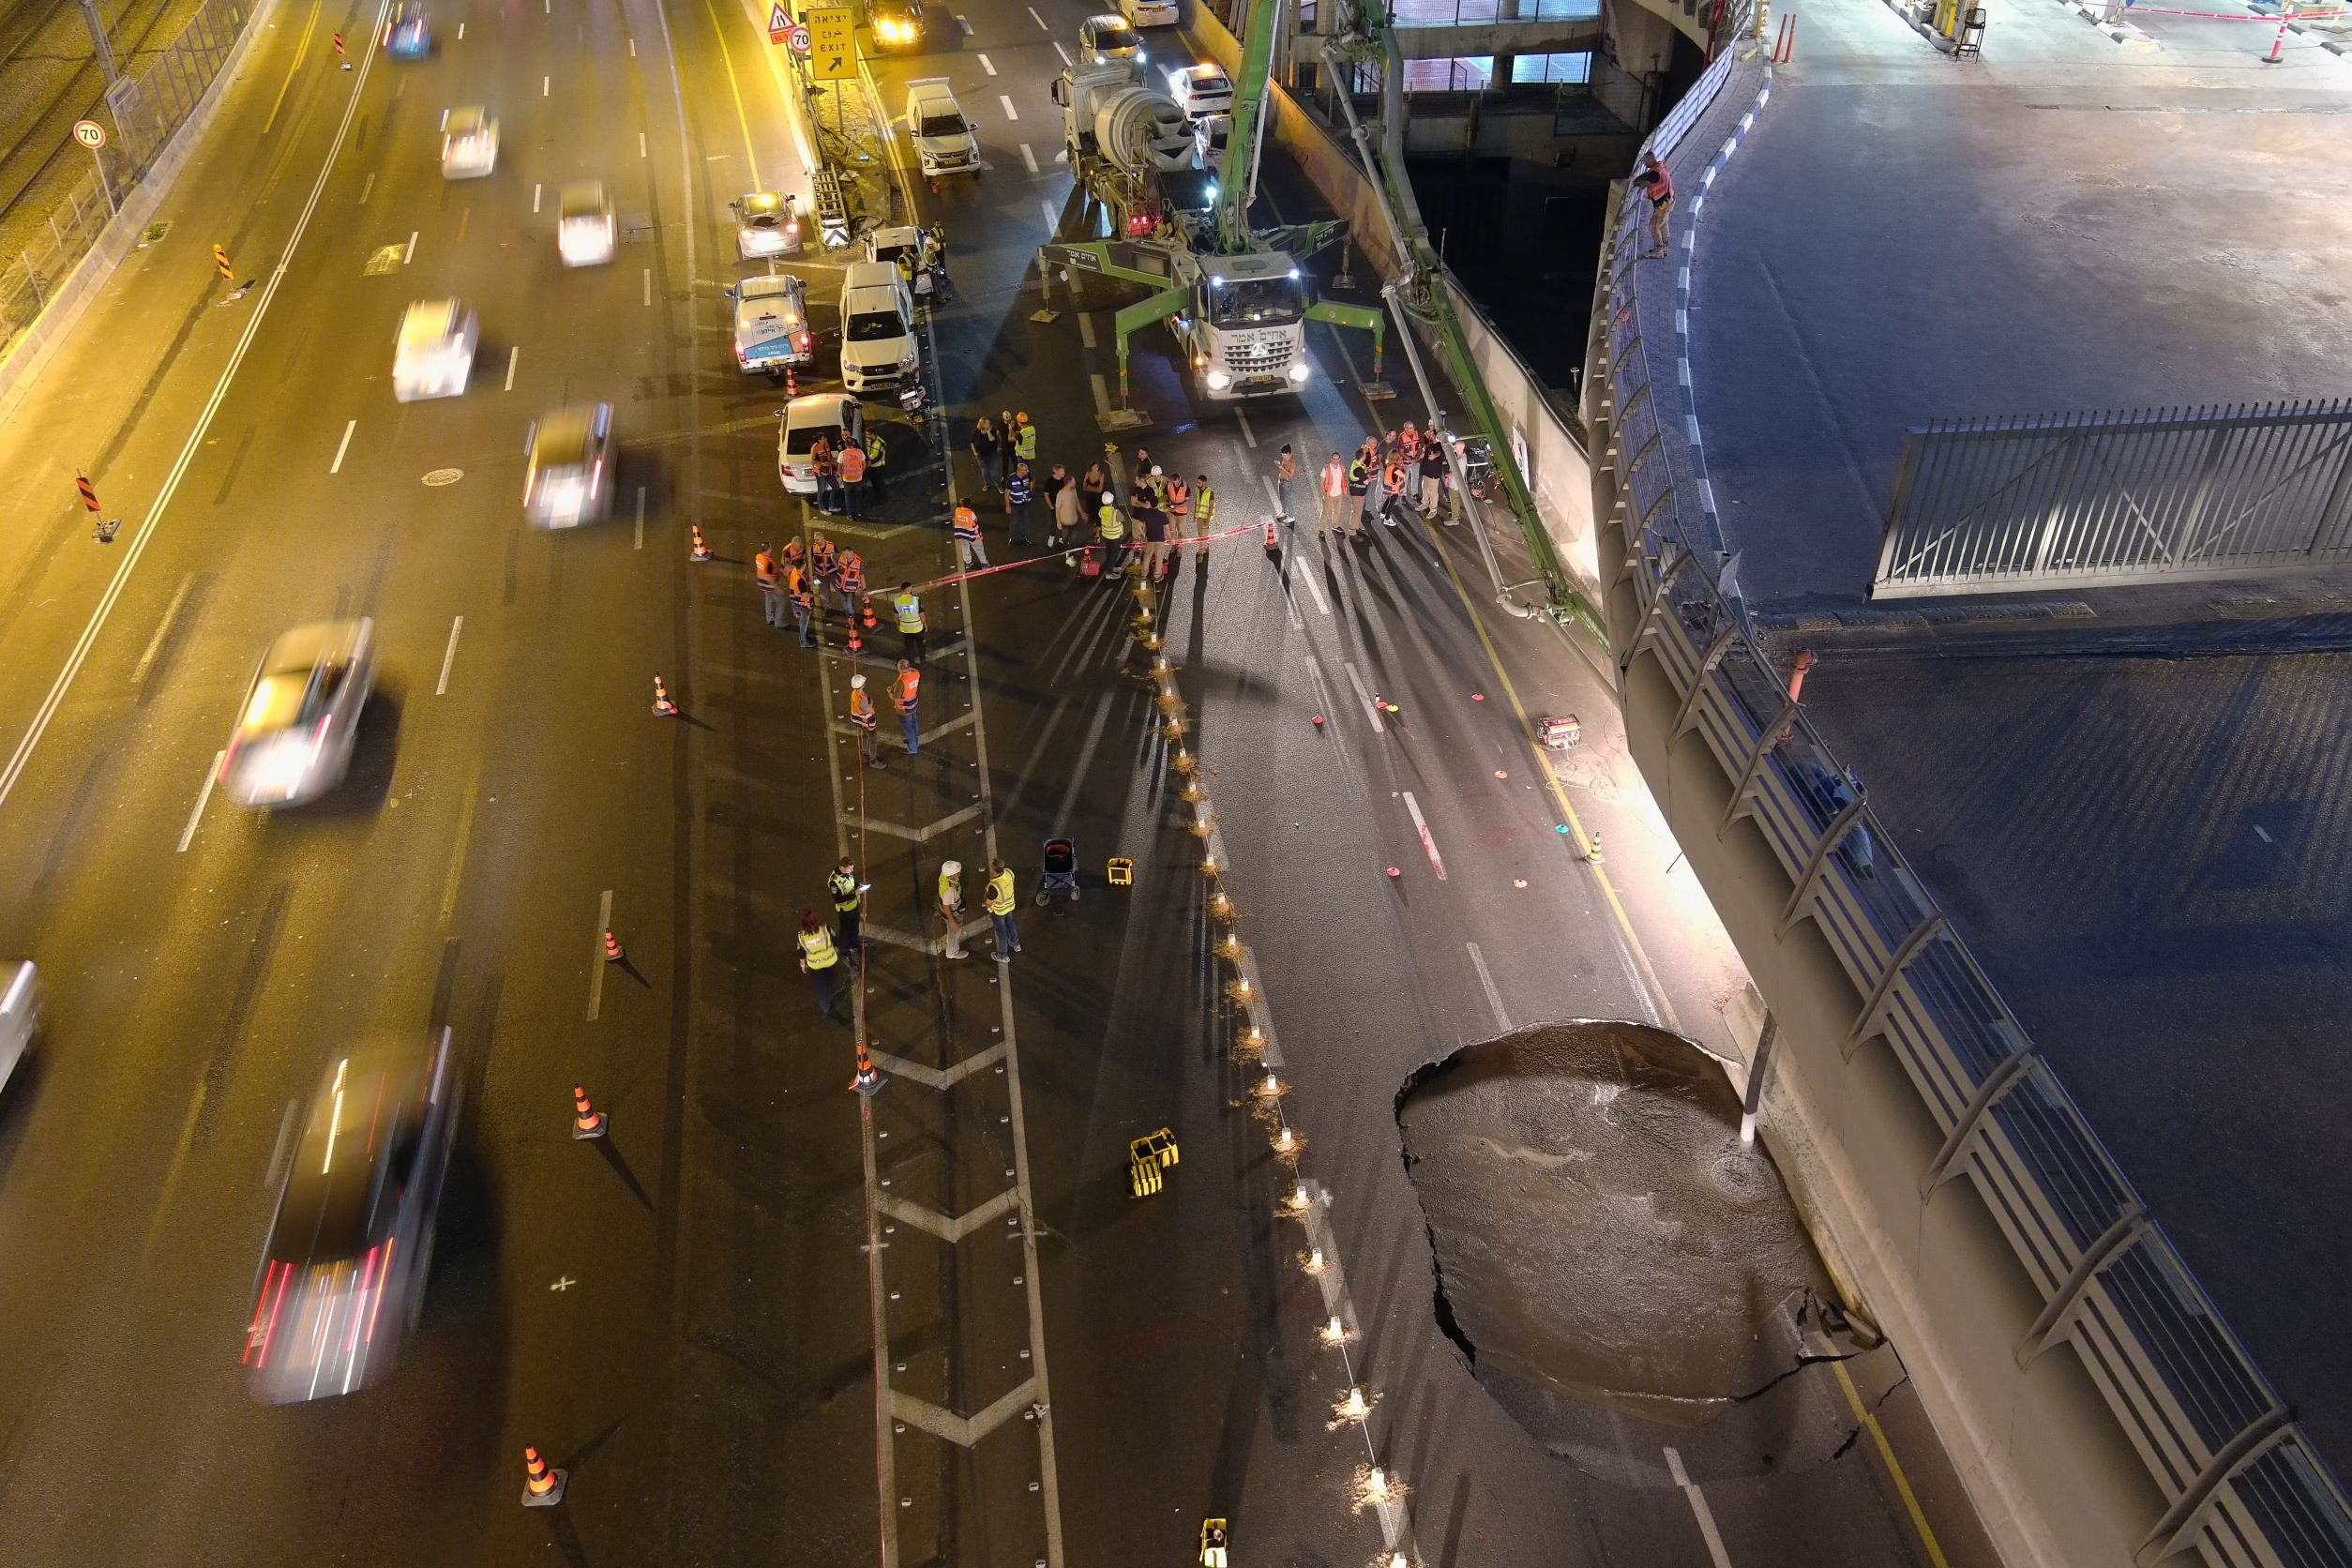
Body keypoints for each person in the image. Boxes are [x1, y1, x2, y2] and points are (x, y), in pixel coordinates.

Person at [798, 910, 844, 1018]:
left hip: (815, 966)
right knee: (831, 980)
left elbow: (801, 952)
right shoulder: (825, 928)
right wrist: (838, 949)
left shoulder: (801, 936)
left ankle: (826, 1008)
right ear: (815, 920)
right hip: (830, 961)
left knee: (820, 988)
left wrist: (803, 965)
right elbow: (836, 941)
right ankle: (831, 992)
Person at [1635, 151, 1673, 259]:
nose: (1643, 164)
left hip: (1663, 204)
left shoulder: (1654, 173)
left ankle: (1658, 251)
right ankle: (1664, 248)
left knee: (1653, 226)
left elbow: (1644, 184)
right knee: (1663, 224)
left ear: (1650, 160)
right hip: (1669, 201)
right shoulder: (1659, 166)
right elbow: (1648, 176)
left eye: (1645, 161)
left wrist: (1636, 184)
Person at [985, 858, 1020, 959]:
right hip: (1010, 906)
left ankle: (1003, 955)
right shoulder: (1009, 872)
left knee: (1001, 934)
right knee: (1011, 923)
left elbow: (988, 903)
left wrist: (987, 905)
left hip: (999, 911)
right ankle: (1015, 943)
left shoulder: (993, 886)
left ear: (993, 870)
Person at [829, 858, 866, 953]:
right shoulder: (834, 882)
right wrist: (855, 894)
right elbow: (838, 899)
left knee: (855, 927)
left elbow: (851, 882)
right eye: (850, 868)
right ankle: (844, 951)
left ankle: (855, 943)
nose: (852, 870)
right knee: (845, 932)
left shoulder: (847, 872)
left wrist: (858, 886)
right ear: (842, 868)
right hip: (845, 911)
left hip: (854, 906)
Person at [938, 859, 967, 959]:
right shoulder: (949, 891)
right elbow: (946, 907)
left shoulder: (944, 874)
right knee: (954, 932)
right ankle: (952, 952)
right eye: (958, 872)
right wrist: (952, 921)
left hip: (946, 905)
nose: (960, 873)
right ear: (951, 875)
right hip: (953, 913)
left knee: (954, 931)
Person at [1095, 493, 1128, 581]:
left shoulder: (1101, 510)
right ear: (1112, 501)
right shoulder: (1115, 512)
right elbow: (1123, 519)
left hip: (1106, 536)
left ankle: (1111, 567)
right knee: (1114, 554)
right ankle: (1109, 573)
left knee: (1109, 552)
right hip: (1115, 537)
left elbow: (1099, 518)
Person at [848, 673, 879, 763]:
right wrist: (871, 702)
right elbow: (872, 711)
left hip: (859, 721)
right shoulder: (862, 701)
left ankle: (865, 752)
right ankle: (873, 761)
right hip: (867, 722)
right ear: (862, 685)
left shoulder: (855, 693)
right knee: (873, 741)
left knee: (864, 736)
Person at [894, 657, 921, 755]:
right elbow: (915, 670)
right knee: (914, 721)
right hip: (913, 703)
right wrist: (909, 668)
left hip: (904, 708)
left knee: (908, 728)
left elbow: (896, 699)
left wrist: (897, 708)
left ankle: (913, 748)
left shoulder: (901, 682)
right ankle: (915, 739)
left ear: (900, 668)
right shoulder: (916, 674)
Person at [1049, 462, 1079, 550]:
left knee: (1073, 538)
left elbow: (1077, 502)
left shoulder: (1073, 490)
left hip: (1074, 520)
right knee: (1066, 538)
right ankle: (1068, 552)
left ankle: (1073, 552)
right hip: (1065, 521)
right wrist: (1058, 522)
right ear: (1069, 483)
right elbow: (1057, 509)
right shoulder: (1060, 494)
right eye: (1073, 481)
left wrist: (1082, 512)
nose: (1075, 483)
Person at [1139, 496, 1170, 581]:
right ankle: (1157, 576)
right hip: (1160, 540)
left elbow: (1139, 526)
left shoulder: (1145, 514)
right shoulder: (1162, 514)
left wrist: (1144, 535)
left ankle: (1144, 575)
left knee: (1147, 557)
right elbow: (1167, 528)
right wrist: (1170, 538)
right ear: (1157, 504)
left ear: (1150, 504)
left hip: (1150, 539)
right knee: (1159, 557)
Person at [787, 560, 817, 647]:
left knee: (802, 622)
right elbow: (805, 594)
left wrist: (816, 581)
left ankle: (803, 637)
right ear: (803, 566)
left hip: (796, 601)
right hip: (803, 604)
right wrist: (818, 595)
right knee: (804, 623)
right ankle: (803, 641)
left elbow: (805, 584)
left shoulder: (795, 572)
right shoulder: (799, 579)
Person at [894, 580, 926, 660]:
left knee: (909, 646)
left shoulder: (897, 601)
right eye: (911, 588)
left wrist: (898, 625)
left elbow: (896, 616)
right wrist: (924, 624)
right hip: (917, 627)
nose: (912, 590)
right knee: (920, 645)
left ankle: (911, 661)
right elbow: (921, 614)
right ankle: (923, 660)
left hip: (905, 628)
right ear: (908, 590)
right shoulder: (915, 600)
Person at [951, 500, 988, 567]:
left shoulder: (957, 510)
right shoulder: (970, 513)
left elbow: (954, 519)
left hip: (962, 535)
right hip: (972, 535)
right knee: (979, 548)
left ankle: (968, 563)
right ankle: (984, 563)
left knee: (965, 548)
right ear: (969, 505)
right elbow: (976, 520)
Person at [755, 542, 784, 628]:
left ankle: (770, 618)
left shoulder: (758, 557)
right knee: (782, 602)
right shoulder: (768, 563)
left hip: (761, 583)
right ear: (769, 549)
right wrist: (777, 588)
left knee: (768, 599)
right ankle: (778, 622)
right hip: (768, 585)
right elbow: (769, 578)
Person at [970, 416, 1002, 493]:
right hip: (981, 456)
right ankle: (987, 484)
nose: (989, 424)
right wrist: (975, 453)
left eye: (989, 422)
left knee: (995, 471)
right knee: (984, 471)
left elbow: (992, 439)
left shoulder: (992, 430)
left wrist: (988, 431)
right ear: (982, 425)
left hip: (992, 454)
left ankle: (998, 485)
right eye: (986, 423)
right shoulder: (977, 431)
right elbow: (972, 442)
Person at [1006, 461, 1034, 545]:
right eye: (1025, 470)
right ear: (1019, 470)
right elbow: (1007, 493)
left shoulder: (1027, 476)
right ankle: (1012, 539)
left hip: (1025, 504)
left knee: (1025, 522)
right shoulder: (1011, 479)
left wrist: (1030, 491)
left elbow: (1032, 480)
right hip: (1015, 505)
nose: (1027, 471)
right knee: (1014, 522)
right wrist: (1008, 506)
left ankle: (1025, 538)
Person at [1319, 451, 1348, 535]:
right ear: (1331, 459)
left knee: (1337, 511)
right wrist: (1324, 493)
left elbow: (1342, 480)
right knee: (1325, 512)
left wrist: (1342, 491)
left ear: (1340, 459)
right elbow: (1321, 482)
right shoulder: (1326, 468)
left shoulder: (1342, 467)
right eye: (1334, 459)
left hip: (1339, 494)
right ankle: (1321, 529)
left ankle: (1335, 526)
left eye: (1337, 459)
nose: (1335, 461)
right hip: (1329, 494)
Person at [837, 440, 867, 519]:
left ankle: (850, 514)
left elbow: (840, 468)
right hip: (858, 478)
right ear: (853, 443)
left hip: (847, 479)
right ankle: (859, 512)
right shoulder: (859, 452)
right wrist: (860, 472)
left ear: (845, 444)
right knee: (858, 496)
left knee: (848, 498)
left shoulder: (842, 453)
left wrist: (841, 477)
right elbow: (864, 464)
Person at [812, 435, 841, 513]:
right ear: (819, 440)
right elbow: (812, 460)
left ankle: (831, 506)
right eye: (823, 438)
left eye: (826, 437)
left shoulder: (827, 445)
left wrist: (837, 466)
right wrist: (822, 463)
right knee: (821, 490)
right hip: (820, 472)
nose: (826, 439)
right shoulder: (815, 447)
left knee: (836, 487)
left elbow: (830, 458)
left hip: (829, 471)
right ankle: (822, 509)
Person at [1346, 445, 1371, 535]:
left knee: (1359, 511)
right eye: (1365, 455)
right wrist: (1369, 476)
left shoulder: (1357, 463)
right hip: (1357, 494)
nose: (1366, 456)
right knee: (1356, 512)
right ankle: (1352, 532)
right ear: (1363, 457)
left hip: (1359, 492)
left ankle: (1356, 527)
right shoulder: (1358, 469)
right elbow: (1367, 481)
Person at [1419, 440, 1446, 520]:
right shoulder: (1429, 444)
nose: (1429, 433)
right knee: (1424, 488)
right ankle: (1425, 503)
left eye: (1430, 432)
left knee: (1432, 492)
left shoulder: (1440, 445)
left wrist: (1434, 455)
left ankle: (1433, 509)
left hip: (1433, 473)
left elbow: (1439, 452)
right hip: (1426, 471)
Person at [1192, 473, 1216, 562]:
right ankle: (1205, 546)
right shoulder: (1197, 490)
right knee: (1200, 534)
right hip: (1199, 517)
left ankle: (1200, 553)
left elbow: (1211, 507)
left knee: (1203, 536)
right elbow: (1196, 502)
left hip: (1206, 518)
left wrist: (1208, 519)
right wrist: (1194, 514)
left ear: (1204, 482)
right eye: (1197, 482)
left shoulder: (1210, 492)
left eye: (1199, 483)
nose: (1197, 484)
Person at [837, 548, 866, 618]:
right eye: (844, 554)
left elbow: (862, 576)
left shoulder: (859, 562)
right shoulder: (841, 556)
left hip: (850, 588)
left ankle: (852, 618)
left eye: (847, 554)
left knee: (849, 604)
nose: (846, 556)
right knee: (844, 603)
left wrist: (864, 589)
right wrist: (837, 567)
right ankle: (849, 618)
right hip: (840, 585)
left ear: (852, 552)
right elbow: (832, 556)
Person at [1273, 445, 1297, 523]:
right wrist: (1279, 465)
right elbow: (1283, 469)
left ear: (1288, 453)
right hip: (1281, 480)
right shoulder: (1284, 459)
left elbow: (1291, 475)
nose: (1282, 455)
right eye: (1282, 454)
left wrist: (1282, 468)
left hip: (1286, 483)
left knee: (1288, 499)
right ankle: (1284, 511)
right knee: (1282, 498)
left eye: (1284, 454)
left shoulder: (1292, 463)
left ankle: (1292, 516)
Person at [865, 427, 889, 505]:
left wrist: (870, 462)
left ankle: (883, 499)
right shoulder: (868, 440)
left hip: (878, 466)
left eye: (868, 434)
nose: (866, 436)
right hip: (871, 466)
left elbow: (880, 456)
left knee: (880, 484)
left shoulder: (881, 443)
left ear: (873, 434)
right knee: (874, 483)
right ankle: (877, 497)